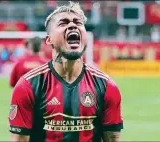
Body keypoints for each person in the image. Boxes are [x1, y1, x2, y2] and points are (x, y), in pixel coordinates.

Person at [8, 1, 123, 142]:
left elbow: (112, 138)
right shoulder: (28, 86)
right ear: (49, 40)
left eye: (78, 23)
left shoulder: (106, 86)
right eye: (63, 23)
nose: (73, 25)